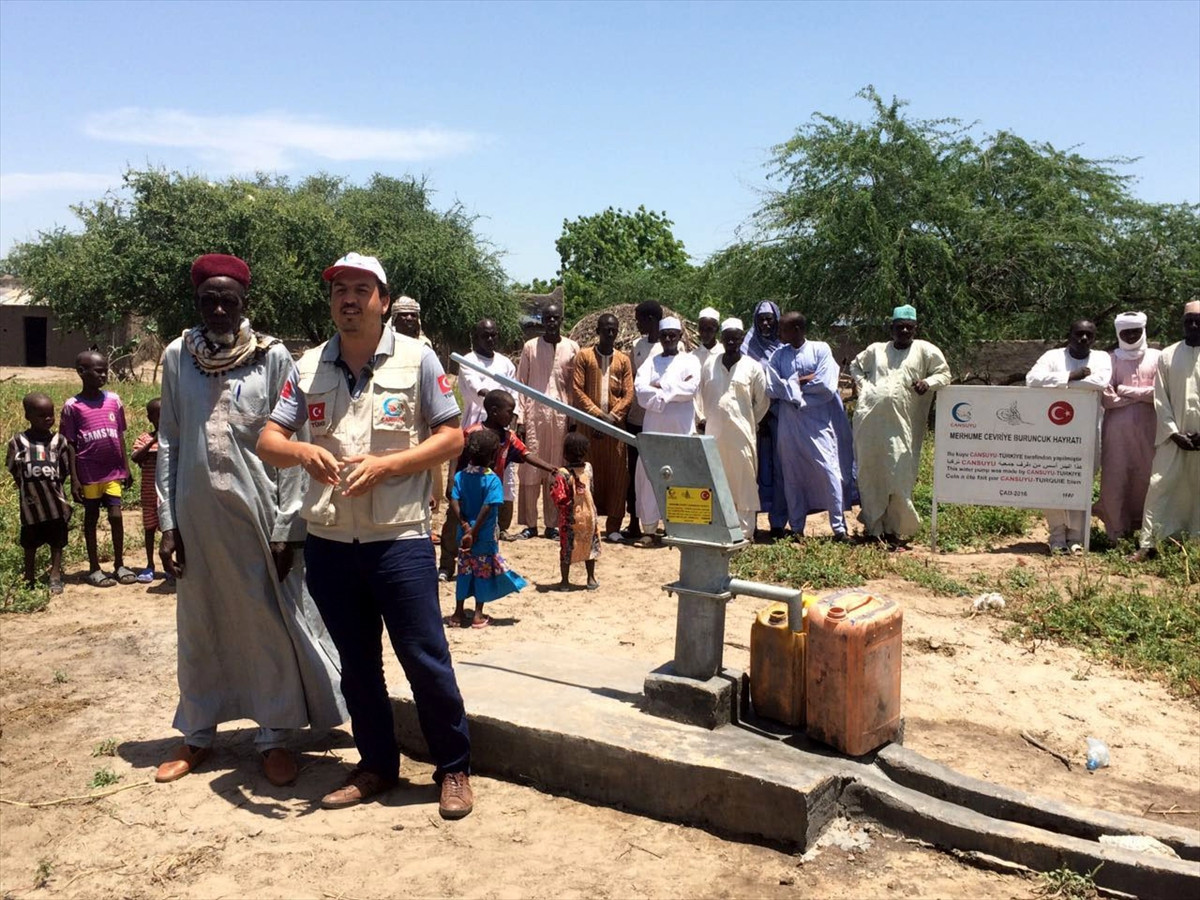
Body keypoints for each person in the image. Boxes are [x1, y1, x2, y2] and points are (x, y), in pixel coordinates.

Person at [258, 251, 474, 819]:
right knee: (357, 667)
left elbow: (452, 437)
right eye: (339, 291)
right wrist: (302, 451)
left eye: (360, 290)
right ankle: (376, 765)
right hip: (330, 542)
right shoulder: (308, 367)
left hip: (399, 541)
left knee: (425, 660)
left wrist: (389, 466)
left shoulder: (418, 359)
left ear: (383, 300)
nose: (348, 300)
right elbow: (269, 441)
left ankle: (453, 768)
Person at [156, 253, 345, 789]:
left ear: (244, 303)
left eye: (228, 300)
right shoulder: (178, 356)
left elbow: (294, 444)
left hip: (259, 516)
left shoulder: (272, 357)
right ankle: (197, 734)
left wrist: (288, 527)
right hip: (196, 517)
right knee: (200, 625)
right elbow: (170, 438)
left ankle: (273, 737)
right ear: (196, 302)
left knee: (268, 626)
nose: (218, 309)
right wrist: (168, 523)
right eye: (208, 300)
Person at [850, 304, 951, 549]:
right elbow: (855, 366)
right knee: (871, 473)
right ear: (891, 328)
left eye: (909, 327)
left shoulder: (925, 350)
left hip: (903, 427)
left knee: (899, 475)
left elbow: (944, 374)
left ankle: (894, 530)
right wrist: (865, 389)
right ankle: (874, 529)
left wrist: (927, 383)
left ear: (916, 328)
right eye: (900, 327)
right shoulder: (876, 350)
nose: (904, 331)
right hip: (870, 425)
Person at [439, 391, 558, 581]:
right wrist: (451, 479)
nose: (512, 416)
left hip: (488, 494)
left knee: (486, 531)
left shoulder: (509, 438)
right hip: (465, 491)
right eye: (509, 412)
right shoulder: (473, 431)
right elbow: (456, 453)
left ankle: (480, 569)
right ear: (494, 411)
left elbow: (526, 455)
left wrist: (550, 468)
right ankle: (446, 567)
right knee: (453, 527)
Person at [766, 312, 858, 542]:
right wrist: (801, 380)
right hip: (789, 424)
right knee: (792, 474)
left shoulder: (820, 349)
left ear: (797, 329)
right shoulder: (778, 355)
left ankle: (839, 528)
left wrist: (791, 387)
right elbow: (772, 386)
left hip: (817, 423)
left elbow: (826, 385)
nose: (779, 334)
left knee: (829, 471)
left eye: (783, 329)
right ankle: (796, 527)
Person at [1026, 319, 1111, 553]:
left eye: (1088, 335)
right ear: (1069, 335)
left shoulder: (1102, 358)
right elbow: (1032, 380)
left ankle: (1076, 538)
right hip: (1053, 432)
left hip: (1089, 432)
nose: (1083, 338)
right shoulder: (1052, 357)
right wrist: (1072, 375)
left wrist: (1059, 383)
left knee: (1081, 482)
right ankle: (1056, 536)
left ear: (1094, 338)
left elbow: (1100, 382)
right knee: (1051, 480)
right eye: (1078, 333)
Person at [1132, 301, 1200, 561]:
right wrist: (1173, 433)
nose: (1193, 325)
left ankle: (1194, 542)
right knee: (1159, 486)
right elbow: (1161, 398)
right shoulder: (1168, 355)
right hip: (1173, 439)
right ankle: (1148, 545)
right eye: (1188, 321)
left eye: (1198, 321)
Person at [61, 350, 135, 587]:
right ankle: (94, 567)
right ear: (81, 372)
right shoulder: (72, 406)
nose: (104, 375)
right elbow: (70, 444)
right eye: (98, 371)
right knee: (91, 517)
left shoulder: (114, 400)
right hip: (89, 473)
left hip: (112, 471)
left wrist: (126, 467)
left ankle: (120, 564)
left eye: (106, 371)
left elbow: (119, 436)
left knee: (116, 516)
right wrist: (74, 479)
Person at [696, 319, 769, 540]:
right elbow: (699, 394)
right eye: (727, 337)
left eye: (735, 338)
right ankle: (720, 529)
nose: (730, 342)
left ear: (741, 338)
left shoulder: (753, 367)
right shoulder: (709, 364)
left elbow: (762, 401)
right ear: (722, 338)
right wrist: (702, 418)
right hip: (713, 435)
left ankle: (745, 533)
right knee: (717, 480)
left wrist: (748, 421)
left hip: (742, 436)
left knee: (745, 482)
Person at [449, 428, 527, 628]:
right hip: (483, 537)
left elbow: (454, 500)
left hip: (463, 536)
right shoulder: (492, 480)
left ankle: (457, 613)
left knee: (464, 572)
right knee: (482, 573)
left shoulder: (460, 476)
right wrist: (474, 531)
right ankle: (477, 615)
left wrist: (465, 526)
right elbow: (488, 506)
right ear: (492, 457)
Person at [633, 317, 701, 545]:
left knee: (680, 475)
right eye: (665, 335)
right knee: (650, 476)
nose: (669, 338)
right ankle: (649, 529)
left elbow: (691, 389)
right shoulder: (650, 362)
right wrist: (672, 392)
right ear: (660, 337)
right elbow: (641, 391)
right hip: (654, 428)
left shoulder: (690, 361)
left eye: (673, 334)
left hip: (681, 429)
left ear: (680, 336)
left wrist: (660, 386)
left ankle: (679, 527)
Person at [514, 302, 578, 540]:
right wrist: (520, 419)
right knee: (530, 469)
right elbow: (521, 383)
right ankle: (530, 525)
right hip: (534, 416)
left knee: (555, 468)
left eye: (555, 318)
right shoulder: (530, 347)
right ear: (542, 321)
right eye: (547, 318)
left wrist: (573, 419)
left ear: (561, 320)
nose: (551, 322)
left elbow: (574, 387)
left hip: (561, 418)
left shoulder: (572, 347)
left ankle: (552, 525)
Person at [1095, 312, 1161, 541]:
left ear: (1143, 331)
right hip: (1117, 433)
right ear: (1118, 333)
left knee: (1149, 477)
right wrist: (1143, 395)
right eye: (1126, 332)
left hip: (1151, 430)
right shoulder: (1109, 360)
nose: (1131, 336)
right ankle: (1116, 533)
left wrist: (1125, 390)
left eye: (1136, 331)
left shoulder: (1159, 357)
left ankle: (1149, 532)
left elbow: (1160, 394)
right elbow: (1107, 398)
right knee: (1116, 478)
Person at [451, 318, 520, 537]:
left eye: (493, 335)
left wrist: (512, 420)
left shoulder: (506, 364)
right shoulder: (468, 361)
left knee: (505, 472)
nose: (490, 339)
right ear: (476, 337)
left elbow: (514, 393)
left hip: (502, 425)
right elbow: (477, 389)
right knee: (473, 472)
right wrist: (495, 401)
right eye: (485, 335)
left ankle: (502, 526)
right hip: (477, 422)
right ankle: (469, 520)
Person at [571, 313, 634, 540]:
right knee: (588, 474)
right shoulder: (584, 356)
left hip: (615, 429)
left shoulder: (623, 360)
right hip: (589, 428)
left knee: (617, 475)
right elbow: (577, 390)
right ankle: (589, 525)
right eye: (606, 329)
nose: (610, 333)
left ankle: (614, 528)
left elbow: (629, 394)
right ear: (597, 331)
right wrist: (597, 417)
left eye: (613, 329)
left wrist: (611, 419)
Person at [6, 392, 72, 595]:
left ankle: (55, 575)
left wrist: (51, 486)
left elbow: (64, 470)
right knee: (29, 541)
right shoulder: (17, 442)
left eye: (51, 414)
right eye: (42, 415)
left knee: (57, 539)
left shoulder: (59, 441)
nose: (48, 419)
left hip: (55, 502)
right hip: (30, 504)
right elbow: (14, 470)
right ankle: (29, 576)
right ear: (28, 416)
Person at [742, 301, 785, 539]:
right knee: (753, 469)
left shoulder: (784, 347)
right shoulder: (746, 347)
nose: (765, 323)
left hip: (781, 417)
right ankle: (752, 522)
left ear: (776, 320)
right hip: (754, 418)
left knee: (780, 469)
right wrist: (761, 414)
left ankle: (778, 522)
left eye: (769, 319)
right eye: (761, 319)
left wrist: (772, 412)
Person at [622, 300, 663, 542]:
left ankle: (663, 520)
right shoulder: (637, 346)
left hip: (660, 419)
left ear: (651, 320)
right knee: (635, 470)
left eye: (639, 320)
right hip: (637, 418)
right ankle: (635, 520)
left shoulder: (670, 346)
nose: (636, 324)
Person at [551, 432, 600, 589]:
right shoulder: (588, 468)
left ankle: (565, 582)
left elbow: (559, 497)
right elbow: (592, 489)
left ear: (565, 453)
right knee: (589, 546)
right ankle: (591, 578)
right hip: (589, 515)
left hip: (569, 517)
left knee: (567, 549)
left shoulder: (562, 473)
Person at [130, 397, 162, 583]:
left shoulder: (176, 438)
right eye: (157, 415)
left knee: (169, 530)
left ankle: (169, 564)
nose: (161, 419)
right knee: (149, 529)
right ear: (150, 418)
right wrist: (154, 442)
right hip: (149, 495)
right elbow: (136, 457)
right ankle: (150, 565)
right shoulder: (144, 439)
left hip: (167, 496)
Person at [691, 307, 722, 371]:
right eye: (702, 328)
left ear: (717, 329)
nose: (704, 333)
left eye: (709, 329)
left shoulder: (724, 354)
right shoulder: (691, 356)